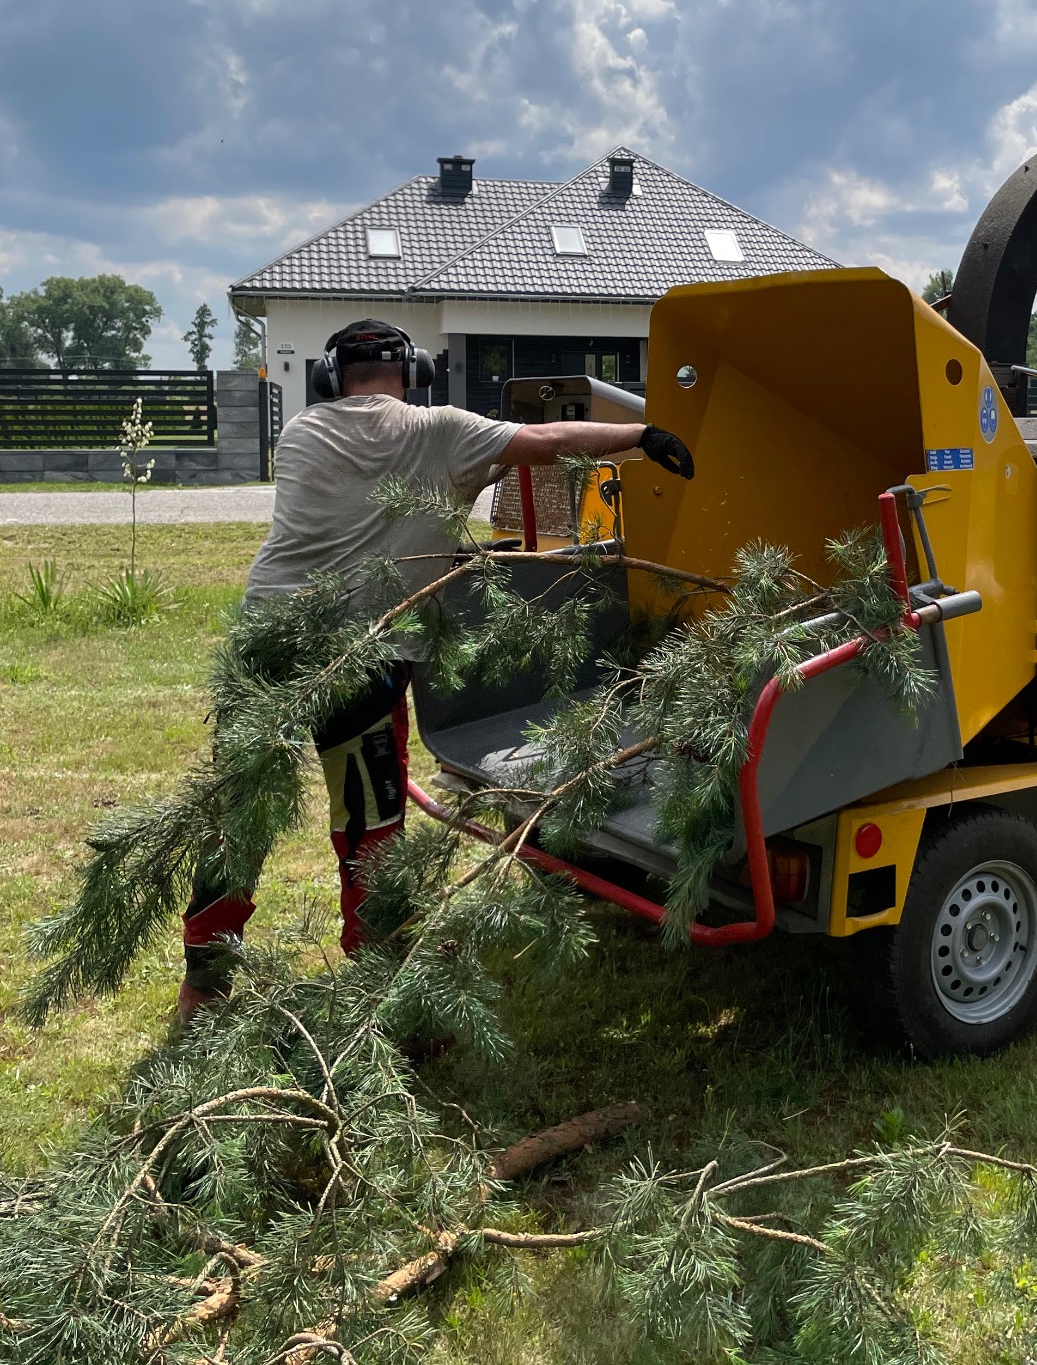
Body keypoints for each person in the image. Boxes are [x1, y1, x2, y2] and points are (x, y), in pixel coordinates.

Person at [177, 316, 693, 1023]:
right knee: (369, 828)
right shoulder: (439, 428)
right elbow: (548, 442)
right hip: (364, 656)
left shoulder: (299, 432)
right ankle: (382, 988)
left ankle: (203, 989)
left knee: (237, 818)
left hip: (265, 642)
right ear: (414, 372)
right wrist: (642, 438)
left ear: (330, 378)